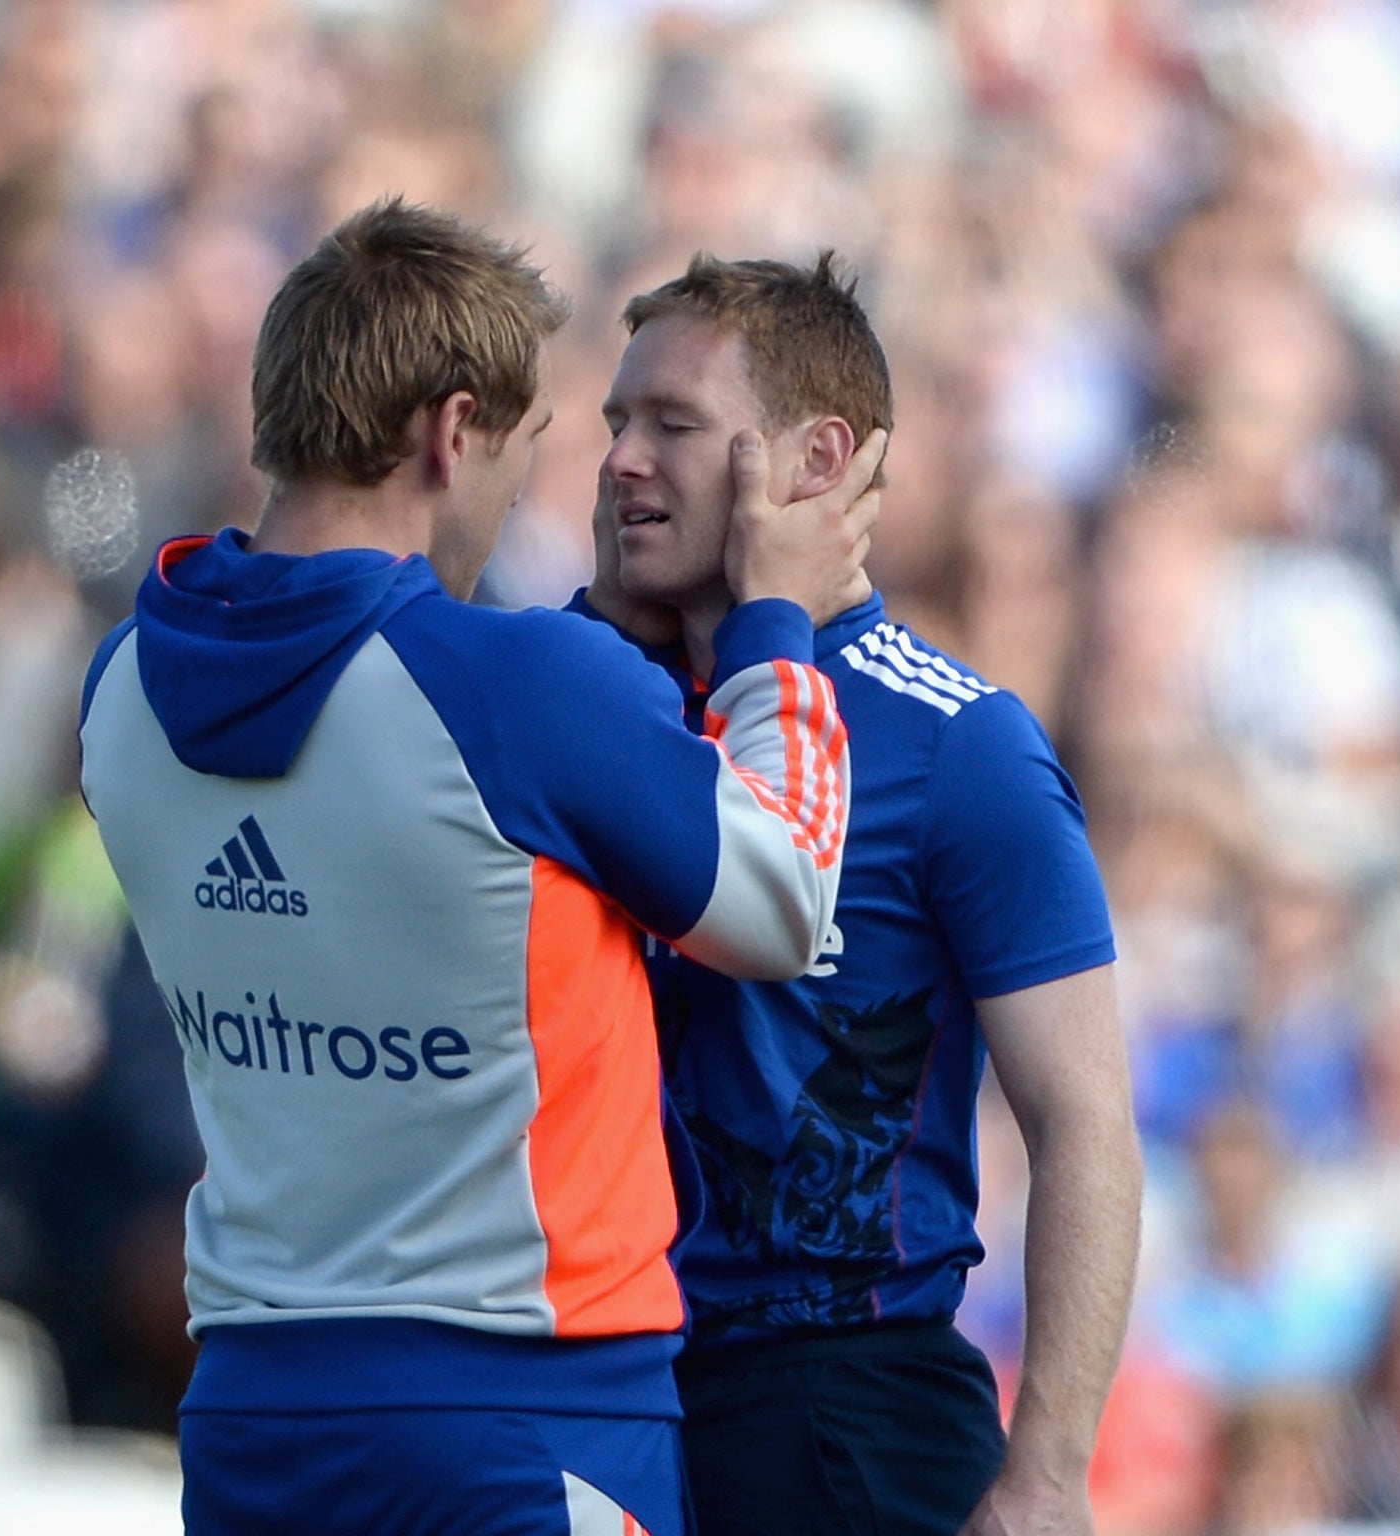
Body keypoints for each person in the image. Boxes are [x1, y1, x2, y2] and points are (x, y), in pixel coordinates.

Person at [78, 198, 883, 1536]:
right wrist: (776, 619)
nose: (520, 498)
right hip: (522, 1411)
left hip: (253, 1412)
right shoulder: (508, 683)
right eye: (524, 452)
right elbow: (785, 898)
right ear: (453, 430)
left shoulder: (120, 693)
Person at [582, 253, 1143, 1536]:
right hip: (599, 1386)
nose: (619, 458)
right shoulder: (586, 702)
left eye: (671, 423)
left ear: (814, 460)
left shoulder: (960, 744)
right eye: (615, 421)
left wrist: (1049, 1472)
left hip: (841, 1412)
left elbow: (1083, 1123)